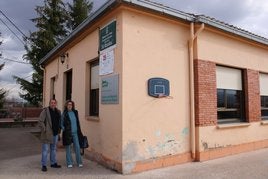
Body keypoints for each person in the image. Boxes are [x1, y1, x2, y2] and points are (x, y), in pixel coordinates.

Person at [38, 99, 62, 172]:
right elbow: (40, 121)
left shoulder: (58, 111)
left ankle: (53, 163)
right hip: (47, 134)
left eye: (54, 103)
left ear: (56, 104)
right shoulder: (45, 111)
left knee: (53, 149)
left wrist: (59, 131)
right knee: (45, 150)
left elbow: (59, 122)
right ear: (49, 103)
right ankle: (44, 165)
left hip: (55, 134)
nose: (53, 104)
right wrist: (44, 129)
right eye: (51, 103)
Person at [61, 100, 83, 168]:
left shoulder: (75, 112)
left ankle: (79, 162)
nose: (70, 106)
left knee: (77, 147)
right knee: (68, 148)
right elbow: (61, 124)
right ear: (66, 106)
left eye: (71, 104)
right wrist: (64, 129)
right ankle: (69, 162)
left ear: (72, 105)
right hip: (68, 133)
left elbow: (77, 122)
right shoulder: (64, 114)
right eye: (68, 104)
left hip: (75, 133)